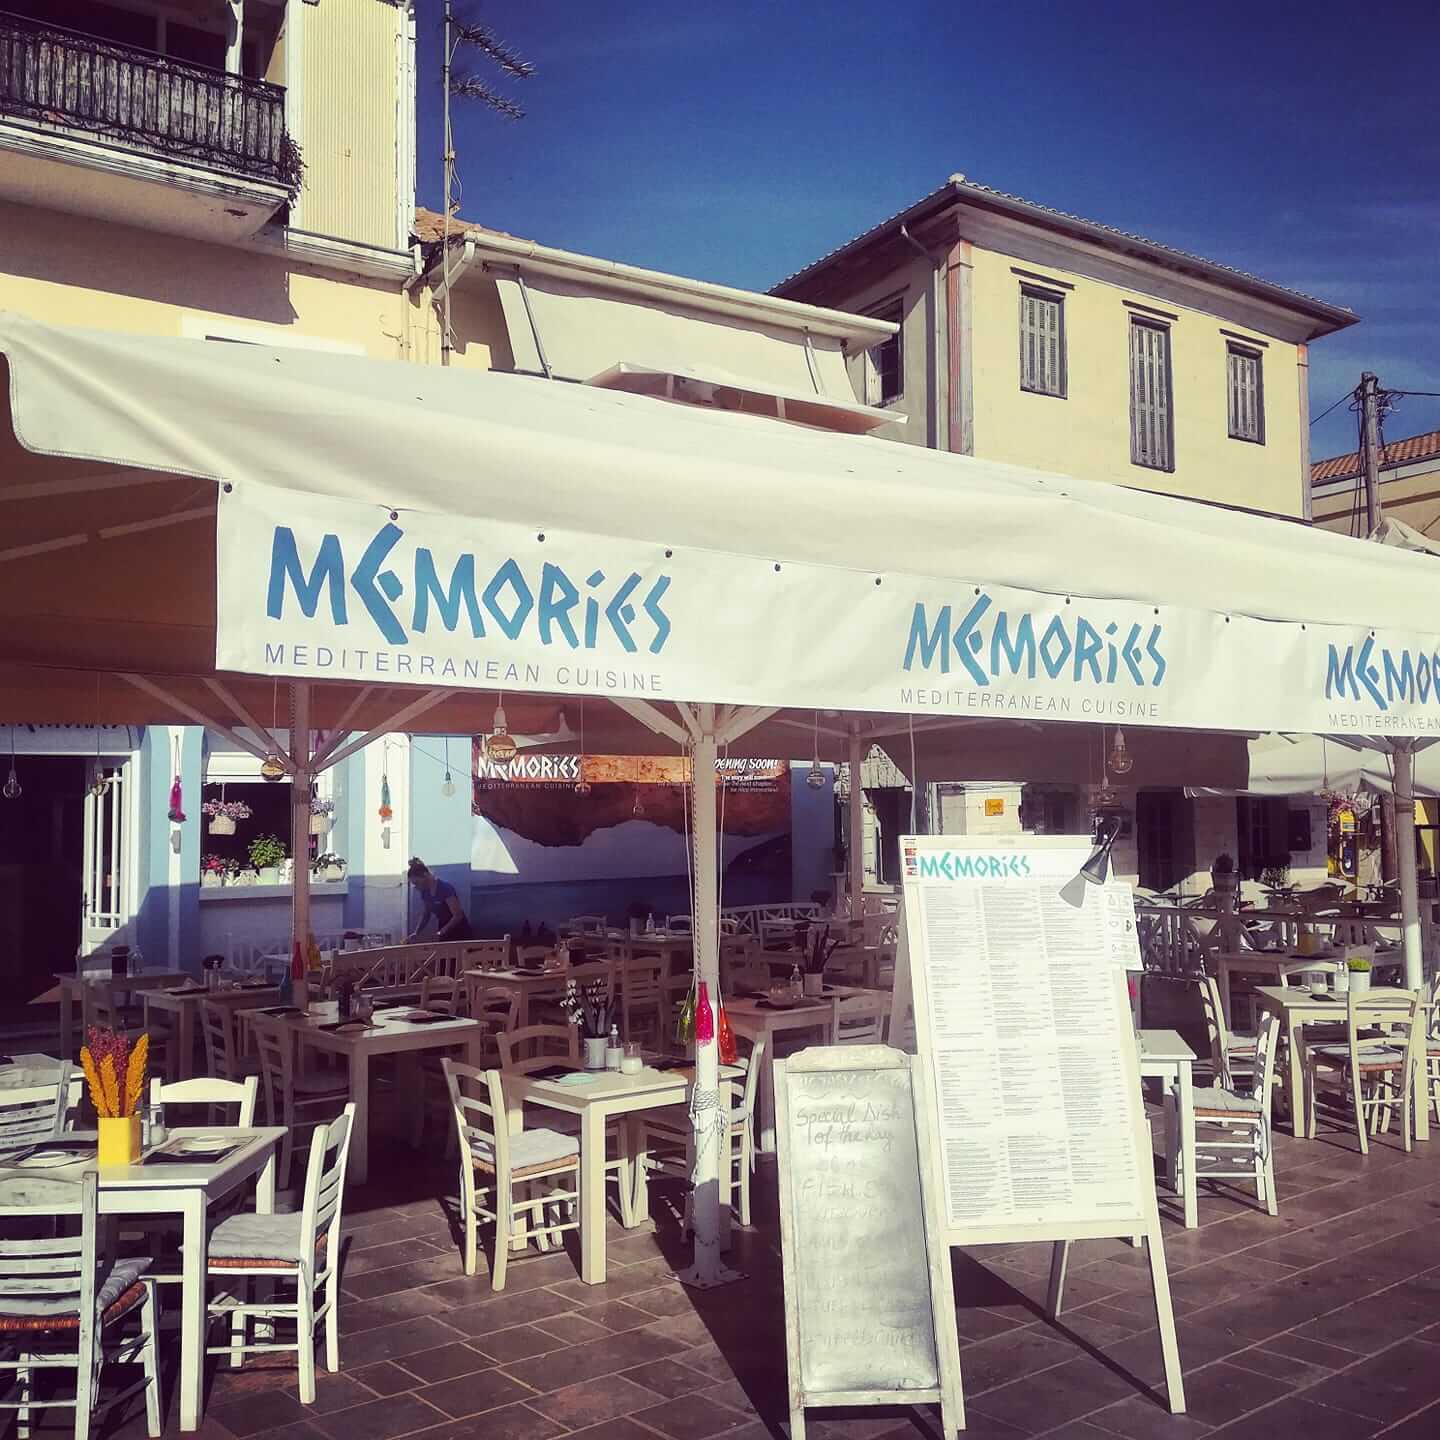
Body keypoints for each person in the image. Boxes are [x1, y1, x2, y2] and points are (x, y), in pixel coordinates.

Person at [406, 857, 471, 942]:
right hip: (443, 928)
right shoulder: (425, 893)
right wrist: (416, 932)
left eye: (416, 883)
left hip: (460, 930)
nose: (416, 887)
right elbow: (426, 915)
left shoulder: (445, 888)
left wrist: (442, 932)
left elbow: (458, 916)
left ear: (425, 875)